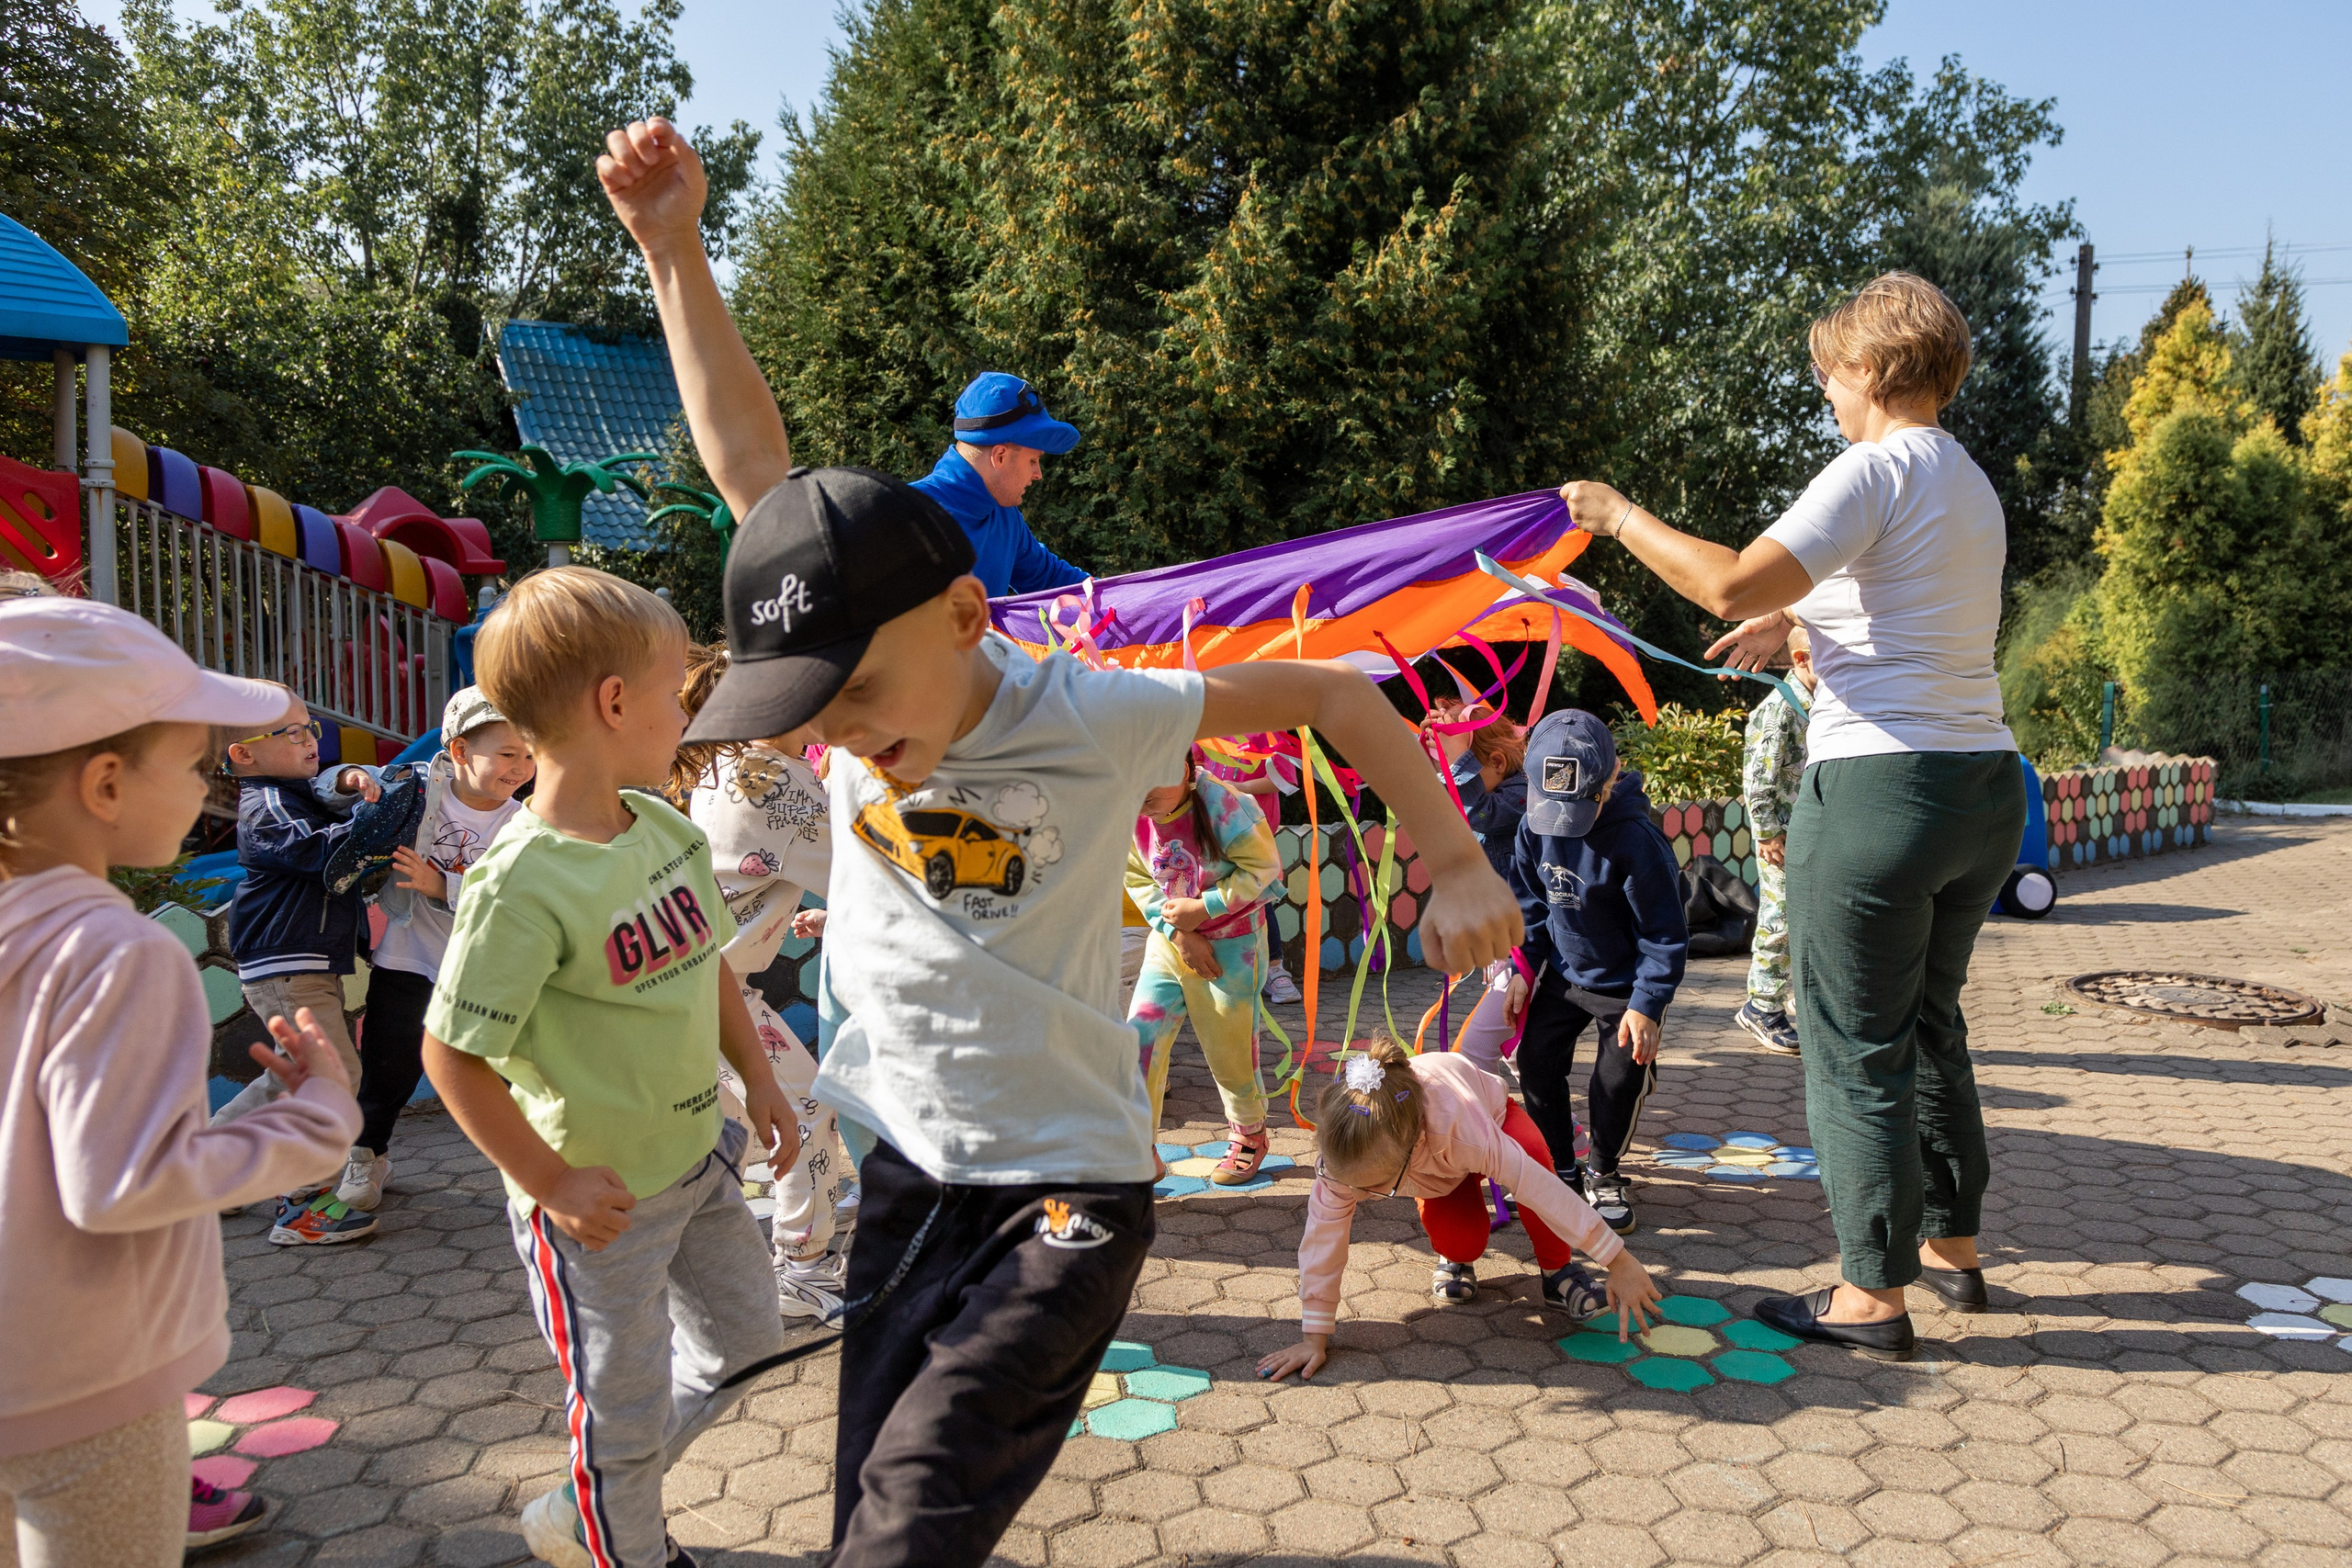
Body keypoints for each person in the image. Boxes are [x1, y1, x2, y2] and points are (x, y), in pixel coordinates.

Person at [596, 112, 1521, 1568]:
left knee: (905, 1531)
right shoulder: (855, 697)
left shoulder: (1093, 714)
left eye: (858, 696)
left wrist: (1454, 855)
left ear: (968, 618)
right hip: (905, 1169)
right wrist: (671, 245)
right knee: (863, 1518)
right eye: (808, 708)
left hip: (1064, 1192)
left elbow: (1337, 689)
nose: (836, 735)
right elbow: (753, 470)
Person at [1556, 271, 2026, 1359]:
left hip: (1879, 795)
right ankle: (1952, 1252)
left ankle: (1870, 1298)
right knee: (1928, 1024)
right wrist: (1799, 616)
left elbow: (1722, 583)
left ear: (1867, 370)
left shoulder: (1871, 467)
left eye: (1828, 372)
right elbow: (1904, 600)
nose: (1824, 390)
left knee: (1854, 1045)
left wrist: (1620, 516)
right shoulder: (1965, 479)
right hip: (1981, 785)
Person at [418, 568, 799, 1568]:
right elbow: (451, 1058)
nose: (687, 710)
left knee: (747, 1350)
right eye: (676, 689)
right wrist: (552, 1184)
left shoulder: (666, 828)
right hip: (598, 1211)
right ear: (615, 703)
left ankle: (591, 1493)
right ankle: (623, 1537)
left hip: (698, 1163)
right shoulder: (521, 883)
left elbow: (708, 964)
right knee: (620, 1405)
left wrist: (758, 1083)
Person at [0, 598, 361, 1564]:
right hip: (84, 1383)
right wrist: (318, 1116)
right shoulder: (114, 952)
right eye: (195, 764)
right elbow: (126, 1182)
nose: (210, 785)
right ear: (107, 782)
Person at [1254, 1038, 1659, 1382]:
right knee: (1462, 1240)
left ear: (1411, 1149)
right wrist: (1314, 1336)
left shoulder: (1465, 1132)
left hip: (1491, 1123)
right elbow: (1322, 1245)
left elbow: (1545, 1192)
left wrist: (1618, 1261)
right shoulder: (1342, 1164)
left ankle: (1558, 1272)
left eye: (1373, 1187)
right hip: (1440, 1167)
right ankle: (1455, 1256)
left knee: (1534, 1158)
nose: (1356, 1196)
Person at [677, 645, 860, 1320]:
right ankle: (802, 1268)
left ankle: (750, 1263)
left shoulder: (733, 765)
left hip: (702, 984)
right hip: (709, 990)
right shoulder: (776, 783)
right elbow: (873, 872)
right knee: (805, 1110)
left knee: (730, 1123)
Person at [332, 687, 536, 1213]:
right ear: (461, 752)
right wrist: (347, 778)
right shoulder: (417, 795)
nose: (522, 766)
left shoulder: (527, 823)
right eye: (508, 753)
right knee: (389, 1064)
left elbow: (516, 898)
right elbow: (351, 789)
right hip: (408, 958)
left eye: (530, 753)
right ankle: (368, 1153)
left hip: (485, 969)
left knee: (518, 1069)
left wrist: (441, 884)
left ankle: (544, 1162)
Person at [215, 686, 393, 1245]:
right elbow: (323, 854)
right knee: (334, 1076)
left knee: (289, 1076)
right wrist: (378, 820)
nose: (309, 739)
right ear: (243, 753)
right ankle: (302, 1204)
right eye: (289, 732)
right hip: (286, 964)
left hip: (299, 964)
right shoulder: (264, 808)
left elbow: (330, 792)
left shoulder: (293, 792)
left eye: (309, 727)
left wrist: (354, 786)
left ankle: (209, 1163)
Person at [1502, 710, 1687, 1236]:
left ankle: (1603, 1172)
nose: (1562, 821)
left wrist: (1647, 1004)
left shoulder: (1637, 842)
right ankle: (1559, 1167)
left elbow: (1664, 934)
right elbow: (1533, 907)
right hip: (1563, 974)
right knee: (1535, 1061)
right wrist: (1524, 968)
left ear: (1613, 776)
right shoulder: (1530, 828)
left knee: (1618, 1076)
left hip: (1625, 987)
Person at [1126, 748, 1279, 1183]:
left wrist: (1206, 907)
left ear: (1185, 768)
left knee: (1228, 1046)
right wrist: (1179, 932)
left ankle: (1250, 1135)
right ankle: (1138, 1149)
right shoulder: (1130, 810)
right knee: (1140, 1035)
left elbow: (1265, 867)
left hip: (1234, 946)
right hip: (1172, 942)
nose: (1143, 795)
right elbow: (1137, 877)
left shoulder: (1226, 806)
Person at [908, 371, 1088, 597]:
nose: (1038, 474)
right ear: (1000, 456)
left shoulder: (1003, 513)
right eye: (1033, 460)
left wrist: (1138, 599)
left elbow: (1052, 580)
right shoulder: (909, 517)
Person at [1734, 627, 1815, 1056]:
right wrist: (1765, 830)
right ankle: (1761, 1005)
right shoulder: (1781, 708)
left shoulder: (1815, 704)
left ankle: (1801, 996)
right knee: (1780, 916)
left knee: (1807, 914)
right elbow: (1759, 776)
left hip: (1806, 831)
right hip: (1780, 837)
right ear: (1801, 658)